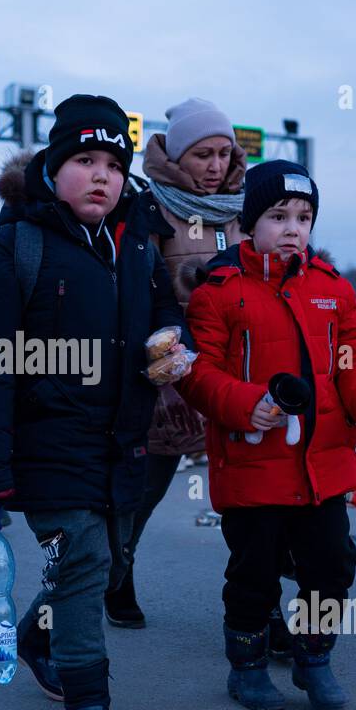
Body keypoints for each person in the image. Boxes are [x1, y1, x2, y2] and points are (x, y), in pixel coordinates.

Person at [0, 94, 186, 710]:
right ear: (53, 168)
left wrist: (169, 343)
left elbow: (166, 312)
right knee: (84, 559)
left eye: (113, 165)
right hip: (47, 444)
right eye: (85, 160)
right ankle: (90, 708)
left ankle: (36, 637)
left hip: (124, 439)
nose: (101, 176)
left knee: (109, 560)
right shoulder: (13, 249)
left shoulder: (137, 243)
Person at [178, 160, 356, 710]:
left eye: (303, 217)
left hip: (323, 467)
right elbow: (197, 373)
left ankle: (314, 657)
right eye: (278, 216)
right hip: (253, 465)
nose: (292, 229)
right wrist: (245, 404)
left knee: (332, 565)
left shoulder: (332, 289)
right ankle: (248, 667)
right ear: (248, 224)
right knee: (253, 574)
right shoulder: (219, 292)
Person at [106, 97, 247, 630]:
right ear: (177, 156)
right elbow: (135, 298)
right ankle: (117, 576)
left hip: (235, 376)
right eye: (202, 155)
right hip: (169, 377)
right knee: (143, 492)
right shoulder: (149, 208)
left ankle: (260, 610)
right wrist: (160, 374)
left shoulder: (245, 207)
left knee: (252, 499)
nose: (215, 167)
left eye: (223, 154)